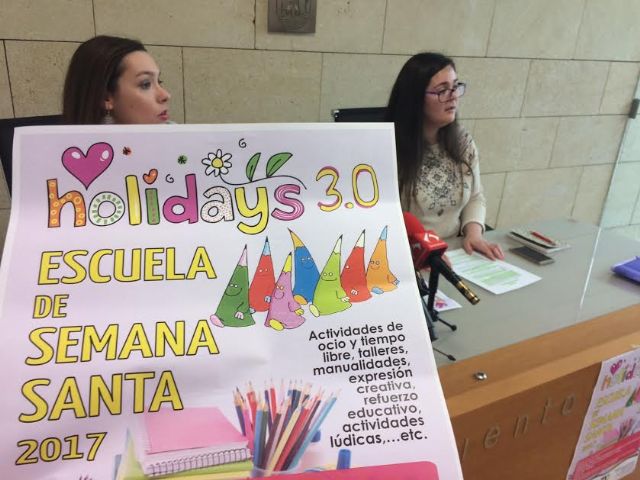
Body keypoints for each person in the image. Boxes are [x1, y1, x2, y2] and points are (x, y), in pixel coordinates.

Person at [386, 52, 503, 260]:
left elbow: (475, 196)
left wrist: (474, 234)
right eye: (442, 90)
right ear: (415, 99)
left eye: (455, 87)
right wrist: (423, 251)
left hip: (457, 252)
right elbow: (385, 217)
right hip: (408, 256)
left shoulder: (462, 142)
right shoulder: (388, 149)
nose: (453, 96)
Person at [62, 35, 170, 125]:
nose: (166, 95)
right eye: (145, 84)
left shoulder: (177, 136)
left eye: (159, 81)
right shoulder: (64, 143)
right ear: (106, 97)